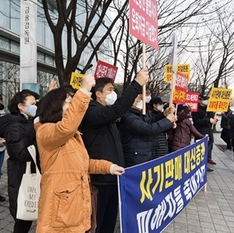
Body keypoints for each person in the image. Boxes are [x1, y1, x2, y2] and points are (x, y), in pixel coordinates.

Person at [34, 75, 125, 232]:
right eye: (69, 102)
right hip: (60, 212)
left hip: (76, 206)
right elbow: (65, 127)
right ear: (55, 106)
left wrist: (108, 167)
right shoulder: (46, 131)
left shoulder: (74, 135)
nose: (71, 106)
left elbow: (83, 163)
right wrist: (83, 91)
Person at [79, 68, 149, 233]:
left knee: (109, 223)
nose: (113, 93)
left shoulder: (107, 114)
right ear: (98, 94)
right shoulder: (92, 111)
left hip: (113, 178)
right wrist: (136, 84)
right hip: (99, 180)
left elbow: (123, 111)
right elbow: (117, 109)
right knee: (97, 224)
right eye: (110, 90)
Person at [0, 89, 39, 233]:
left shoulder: (27, 122)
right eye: (32, 103)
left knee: (27, 215)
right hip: (20, 174)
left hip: (29, 171)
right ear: (21, 106)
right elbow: (22, 153)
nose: (36, 106)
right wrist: (42, 144)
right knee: (23, 216)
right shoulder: (15, 127)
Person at [119, 94, 176, 167]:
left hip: (144, 155)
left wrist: (164, 114)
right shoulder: (129, 117)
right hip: (136, 158)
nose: (141, 100)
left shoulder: (137, 114)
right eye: (138, 99)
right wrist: (168, 121)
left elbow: (150, 121)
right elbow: (148, 129)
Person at [192, 94, 217, 170]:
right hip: (200, 131)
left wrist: (214, 119)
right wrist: (208, 120)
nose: (206, 101)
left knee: (209, 145)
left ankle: (206, 161)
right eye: (204, 99)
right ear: (199, 100)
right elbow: (197, 121)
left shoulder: (209, 108)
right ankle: (199, 164)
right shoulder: (195, 109)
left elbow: (212, 118)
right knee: (201, 148)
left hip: (209, 130)